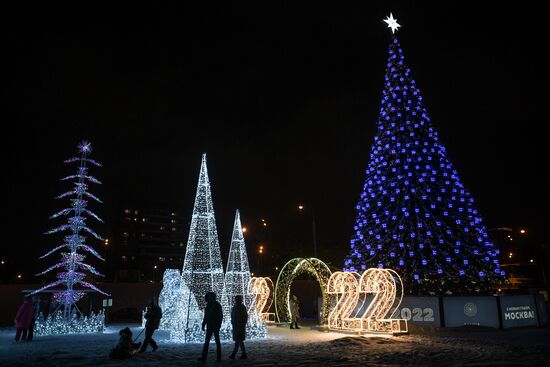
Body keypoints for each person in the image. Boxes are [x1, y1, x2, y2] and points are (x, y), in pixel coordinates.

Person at [198, 291, 223, 362]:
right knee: (207, 341)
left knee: (217, 341)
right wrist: (203, 324)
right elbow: (206, 316)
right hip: (209, 325)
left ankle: (218, 358)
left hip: (215, 325)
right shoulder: (208, 305)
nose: (208, 298)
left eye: (209, 297)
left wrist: (218, 324)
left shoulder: (217, 305)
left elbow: (220, 316)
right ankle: (204, 357)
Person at [229, 295, 248, 360]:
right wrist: (232, 322)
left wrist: (243, 324)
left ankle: (234, 354)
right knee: (239, 341)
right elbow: (232, 316)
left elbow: (245, 317)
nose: (236, 300)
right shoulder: (235, 307)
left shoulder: (242, 307)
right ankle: (242, 354)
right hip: (236, 326)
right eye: (236, 299)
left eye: (237, 299)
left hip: (240, 326)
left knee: (238, 340)